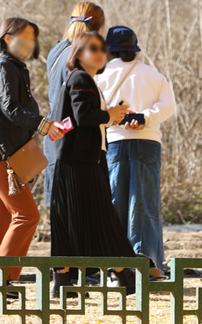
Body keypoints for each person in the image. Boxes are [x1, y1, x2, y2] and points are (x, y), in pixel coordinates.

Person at [0, 17, 63, 293]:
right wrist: (42, 124)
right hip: (1, 157)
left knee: (1, 220)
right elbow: (11, 109)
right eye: (24, 36)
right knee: (27, 216)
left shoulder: (10, 67)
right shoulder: (4, 67)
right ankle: (3, 276)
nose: (30, 42)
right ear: (6, 38)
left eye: (32, 37)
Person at [50, 31, 139, 297]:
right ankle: (123, 272)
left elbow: (85, 117)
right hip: (80, 161)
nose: (100, 52)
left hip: (81, 159)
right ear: (77, 53)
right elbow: (83, 115)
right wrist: (107, 114)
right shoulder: (80, 77)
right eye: (92, 48)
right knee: (98, 216)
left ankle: (65, 280)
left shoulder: (87, 79)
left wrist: (112, 117)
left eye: (102, 48)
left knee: (75, 218)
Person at [95, 26, 176, 279]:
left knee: (115, 203)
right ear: (134, 48)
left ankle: (117, 268)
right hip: (147, 142)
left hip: (114, 143)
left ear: (109, 50)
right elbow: (168, 107)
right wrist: (143, 118)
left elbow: (95, 111)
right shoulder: (153, 75)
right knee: (145, 204)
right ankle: (148, 265)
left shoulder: (100, 76)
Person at [43, 3, 105, 201]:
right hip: (77, 146)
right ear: (99, 29)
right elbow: (82, 108)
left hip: (55, 135)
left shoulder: (55, 51)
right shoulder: (84, 55)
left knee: (60, 210)